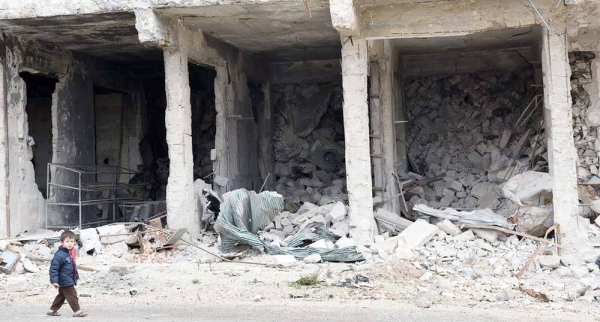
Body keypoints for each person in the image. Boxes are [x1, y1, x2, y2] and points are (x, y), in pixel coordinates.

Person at [47, 230, 87, 317]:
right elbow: (54, 268)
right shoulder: (59, 255)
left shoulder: (69, 253)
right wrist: (54, 280)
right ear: (62, 242)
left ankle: (52, 310)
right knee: (73, 295)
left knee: (62, 295)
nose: (70, 243)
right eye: (67, 241)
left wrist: (75, 276)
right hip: (64, 279)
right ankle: (77, 311)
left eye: (72, 241)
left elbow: (71, 267)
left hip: (68, 278)